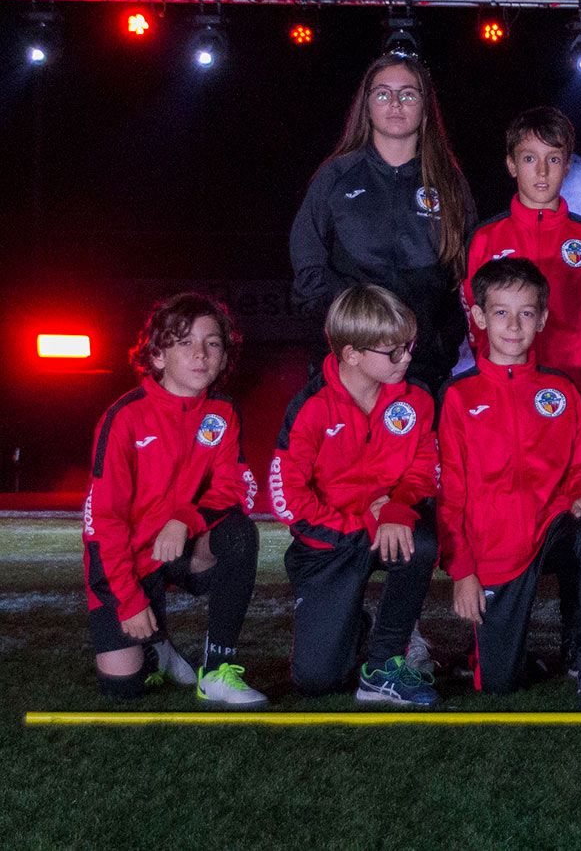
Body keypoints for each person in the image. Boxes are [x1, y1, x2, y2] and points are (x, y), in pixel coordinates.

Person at [438, 258, 581, 708]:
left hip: (551, 525)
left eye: (526, 313)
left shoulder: (560, 391)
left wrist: (579, 491)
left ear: (542, 319)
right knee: (499, 684)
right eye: (501, 312)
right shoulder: (458, 397)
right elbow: (450, 494)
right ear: (479, 317)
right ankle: (517, 654)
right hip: (495, 546)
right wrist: (462, 571)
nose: (514, 325)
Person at [82, 293, 266, 704]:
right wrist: (129, 601)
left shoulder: (223, 410)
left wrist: (186, 518)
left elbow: (234, 488)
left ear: (223, 355)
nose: (201, 354)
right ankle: (157, 645)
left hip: (182, 546)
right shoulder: (125, 417)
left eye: (212, 343)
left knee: (239, 534)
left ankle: (217, 670)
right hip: (127, 556)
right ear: (159, 356)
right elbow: (103, 522)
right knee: (124, 688)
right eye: (185, 342)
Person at [270, 285, 441, 704]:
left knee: (419, 543)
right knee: (317, 681)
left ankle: (384, 667)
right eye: (394, 351)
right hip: (329, 541)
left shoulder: (416, 398)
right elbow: (287, 498)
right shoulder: (310, 406)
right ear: (351, 354)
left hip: (387, 527)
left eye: (409, 346)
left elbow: (426, 469)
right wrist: (364, 522)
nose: (408, 358)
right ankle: (357, 624)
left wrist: (399, 505)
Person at [290, 52, 475, 395]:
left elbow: (465, 276)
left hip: (421, 370)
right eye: (382, 93)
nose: (395, 103)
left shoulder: (449, 183)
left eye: (408, 94)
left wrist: (439, 343)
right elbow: (308, 274)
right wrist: (355, 332)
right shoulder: (336, 177)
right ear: (367, 105)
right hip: (347, 368)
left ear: (424, 107)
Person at [463, 107, 581, 428]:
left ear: (568, 165)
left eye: (554, 159)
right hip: (504, 388)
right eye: (530, 158)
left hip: (573, 383)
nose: (542, 171)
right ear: (511, 165)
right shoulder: (486, 238)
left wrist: (579, 363)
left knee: (572, 477)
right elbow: (476, 323)